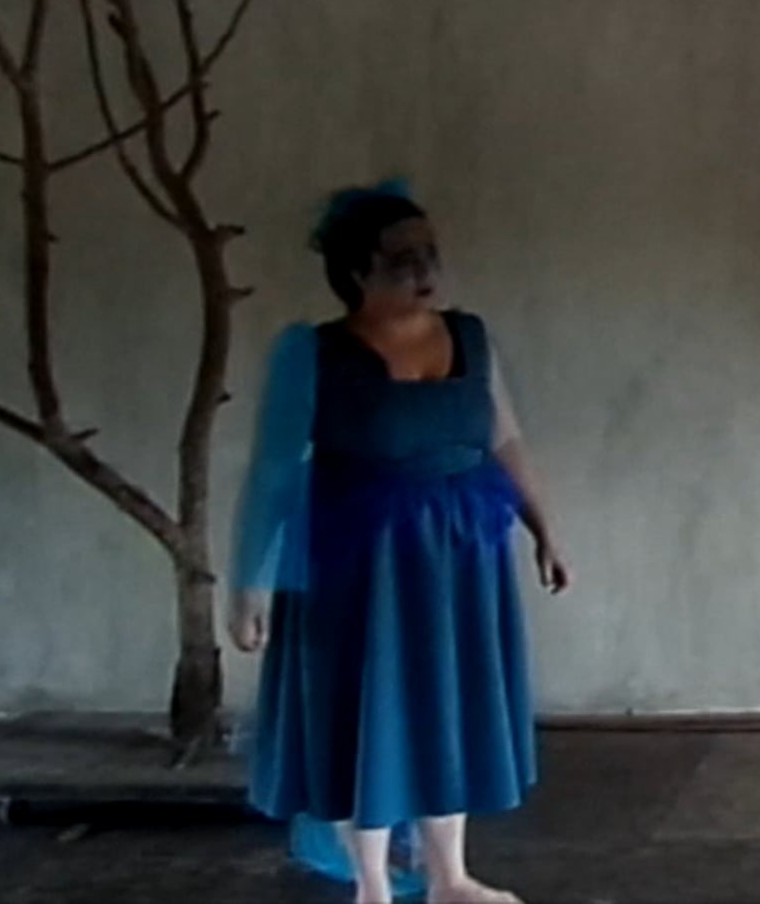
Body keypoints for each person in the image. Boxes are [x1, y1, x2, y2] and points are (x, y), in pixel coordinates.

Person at [228, 182, 570, 904]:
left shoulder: (470, 336)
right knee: (368, 706)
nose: (424, 270)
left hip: (459, 555)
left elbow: (504, 438)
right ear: (357, 271)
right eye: (401, 258)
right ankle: (373, 885)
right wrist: (250, 582)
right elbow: (274, 469)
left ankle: (451, 876)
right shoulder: (315, 353)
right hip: (359, 561)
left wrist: (544, 528)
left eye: (429, 253)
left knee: (448, 699)